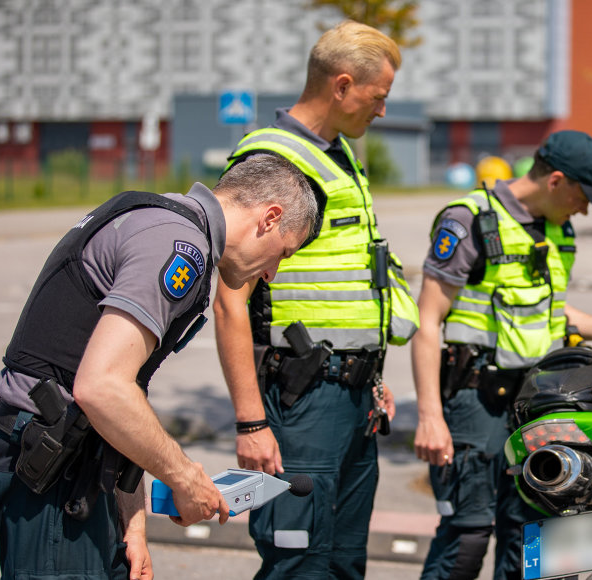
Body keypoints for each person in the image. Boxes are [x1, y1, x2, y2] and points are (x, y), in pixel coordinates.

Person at [0, 153, 318, 580]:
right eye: (282, 253)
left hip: (69, 462)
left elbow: (124, 392)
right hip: (53, 473)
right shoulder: (181, 247)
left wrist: (131, 522)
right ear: (269, 218)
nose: (271, 273)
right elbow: (101, 387)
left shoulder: (159, 217)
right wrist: (184, 478)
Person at [212, 20, 419, 580]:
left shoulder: (338, 157)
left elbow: (348, 287)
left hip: (352, 397)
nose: (381, 112)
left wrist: (371, 373)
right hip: (303, 400)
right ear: (342, 86)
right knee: (298, 563)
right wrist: (251, 423)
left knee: (345, 564)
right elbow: (230, 299)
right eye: (378, 98)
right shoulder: (276, 161)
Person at [412, 130, 592, 579]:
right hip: (476, 398)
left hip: (537, 404)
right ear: (556, 181)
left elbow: (546, 309)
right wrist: (430, 416)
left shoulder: (558, 228)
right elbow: (427, 322)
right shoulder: (469, 220)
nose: (585, 209)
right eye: (584, 197)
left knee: (541, 536)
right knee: (466, 534)